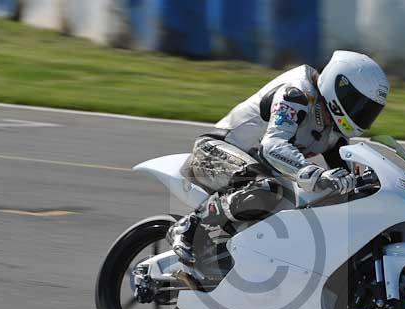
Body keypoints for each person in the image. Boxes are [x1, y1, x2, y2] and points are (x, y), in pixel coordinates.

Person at [167, 50, 390, 269]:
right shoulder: (296, 94)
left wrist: (375, 185)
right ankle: (190, 228)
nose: (362, 115)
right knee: (270, 188)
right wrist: (314, 173)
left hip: (255, 169)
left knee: (327, 199)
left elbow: (348, 174)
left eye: (369, 110)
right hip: (213, 153)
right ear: (338, 88)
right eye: (358, 104)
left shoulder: (333, 129)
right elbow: (272, 147)